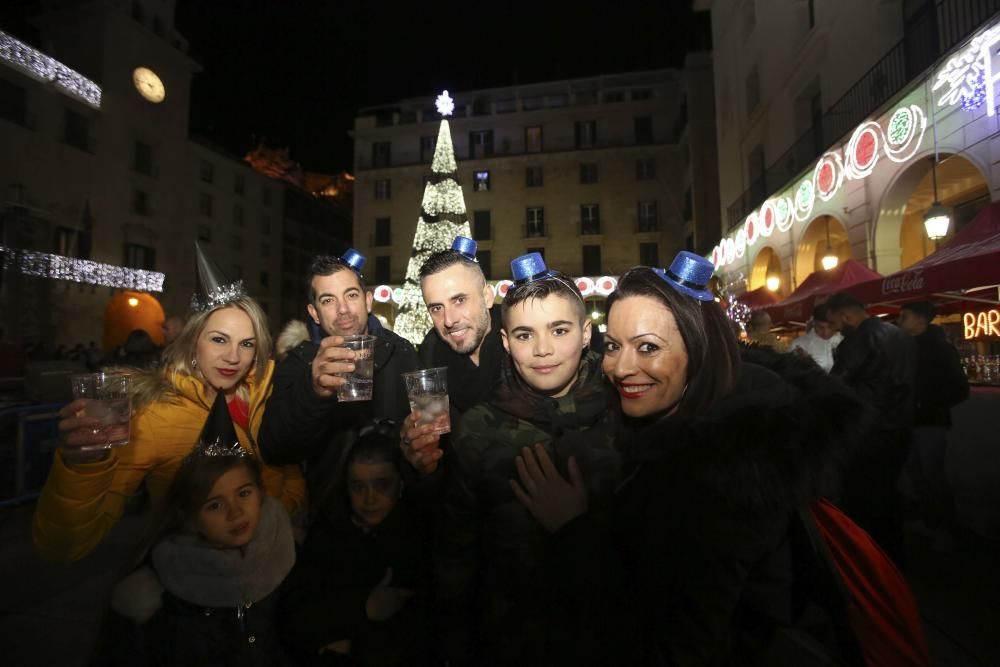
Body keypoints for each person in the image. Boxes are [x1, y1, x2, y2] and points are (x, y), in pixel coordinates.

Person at [512, 252, 866, 664]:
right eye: (613, 346)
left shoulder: (727, 475)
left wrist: (574, 532)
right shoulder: (681, 425)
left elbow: (676, 648)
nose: (621, 367)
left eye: (648, 347)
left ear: (700, 350)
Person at [33, 243, 305, 563]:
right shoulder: (152, 416)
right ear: (192, 344)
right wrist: (83, 467)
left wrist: (285, 516)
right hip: (196, 581)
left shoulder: (266, 394)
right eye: (219, 339)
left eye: (247, 344)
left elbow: (289, 473)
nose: (233, 357)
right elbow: (64, 545)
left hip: (273, 569)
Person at [436, 253, 620, 665]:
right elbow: (456, 557)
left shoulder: (627, 415)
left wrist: (578, 527)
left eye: (559, 330)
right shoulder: (479, 429)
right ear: (505, 342)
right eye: (524, 335)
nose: (542, 349)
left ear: (586, 333)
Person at [95, 392, 296, 666]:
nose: (235, 512)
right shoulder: (150, 599)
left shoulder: (290, 550)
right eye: (214, 505)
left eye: (244, 493)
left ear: (261, 493)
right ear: (189, 516)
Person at [257, 249, 418, 498]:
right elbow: (275, 450)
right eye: (328, 300)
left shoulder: (402, 353)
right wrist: (313, 391)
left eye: (351, 295)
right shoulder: (298, 363)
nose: (342, 309)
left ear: (367, 300)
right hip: (328, 516)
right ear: (314, 313)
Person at [280, 423, 429, 666]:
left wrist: (349, 640)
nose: (370, 498)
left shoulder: (415, 536)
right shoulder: (328, 536)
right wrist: (365, 608)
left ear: (400, 484)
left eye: (382, 484)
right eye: (358, 486)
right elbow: (295, 620)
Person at [400, 237, 504, 475]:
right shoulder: (429, 361)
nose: (448, 320)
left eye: (459, 300)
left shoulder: (524, 344)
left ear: (487, 296)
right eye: (436, 308)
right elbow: (434, 455)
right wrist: (417, 459)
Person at [826, 291, 916, 565]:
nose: (838, 330)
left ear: (846, 315)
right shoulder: (899, 335)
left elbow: (837, 384)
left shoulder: (860, 339)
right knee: (888, 491)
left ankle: (869, 559)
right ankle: (893, 554)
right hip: (900, 426)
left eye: (838, 324)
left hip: (868, 430)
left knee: (865, 498)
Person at [898, 300, 969, 551]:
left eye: (904, 316)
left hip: (930, 422)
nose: (900, 320)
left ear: (920, 320)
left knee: (932, 475)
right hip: (909, 421)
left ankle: (947, 529)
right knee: (917, 474)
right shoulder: (905, 346)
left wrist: (926, 403)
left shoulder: (940, 349)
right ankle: (930, 522)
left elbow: (960, 389)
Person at [789, 303, 843, 372]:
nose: (826, 332)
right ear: (814, 323)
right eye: (820, 327)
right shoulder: (800, 344)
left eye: (830, 327)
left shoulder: (843, 341)